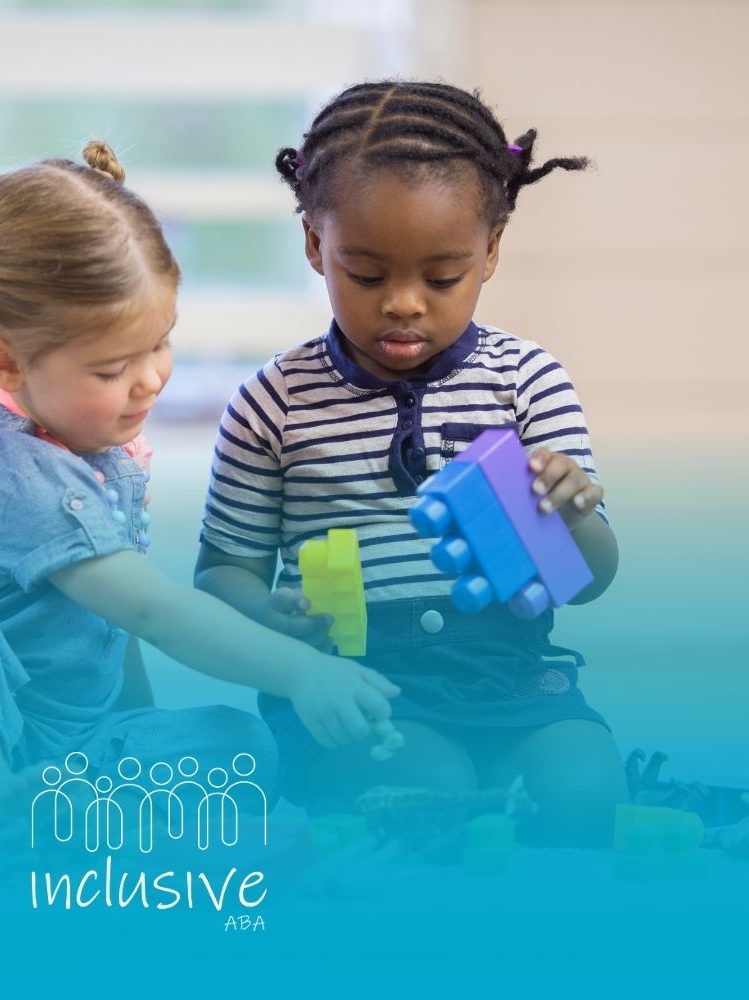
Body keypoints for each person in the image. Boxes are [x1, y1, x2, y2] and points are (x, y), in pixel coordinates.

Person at [0, 141, 399, 837]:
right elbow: (155, 611)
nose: (151, 378)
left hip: (55, 746)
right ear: (5, 362)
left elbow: (114, 631)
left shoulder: (100, 455)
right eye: (115, 366)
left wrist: (142, 727)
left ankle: (57, 815)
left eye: (161, 342)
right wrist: (299, 671)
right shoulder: (22, 479)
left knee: (244, 748)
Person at [194, 82, 627, 847]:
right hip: (352, 684)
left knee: (585, 793)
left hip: (513, 675)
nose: (402, 303)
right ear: (313, 245)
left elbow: (588, 582)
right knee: (431, 794)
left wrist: (575, 513)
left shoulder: (527, 380)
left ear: (489, 252)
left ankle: (504, 821)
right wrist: (271, 620)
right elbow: (222, 573)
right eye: (366, 275)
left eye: (440, 276)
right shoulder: (274, 402)